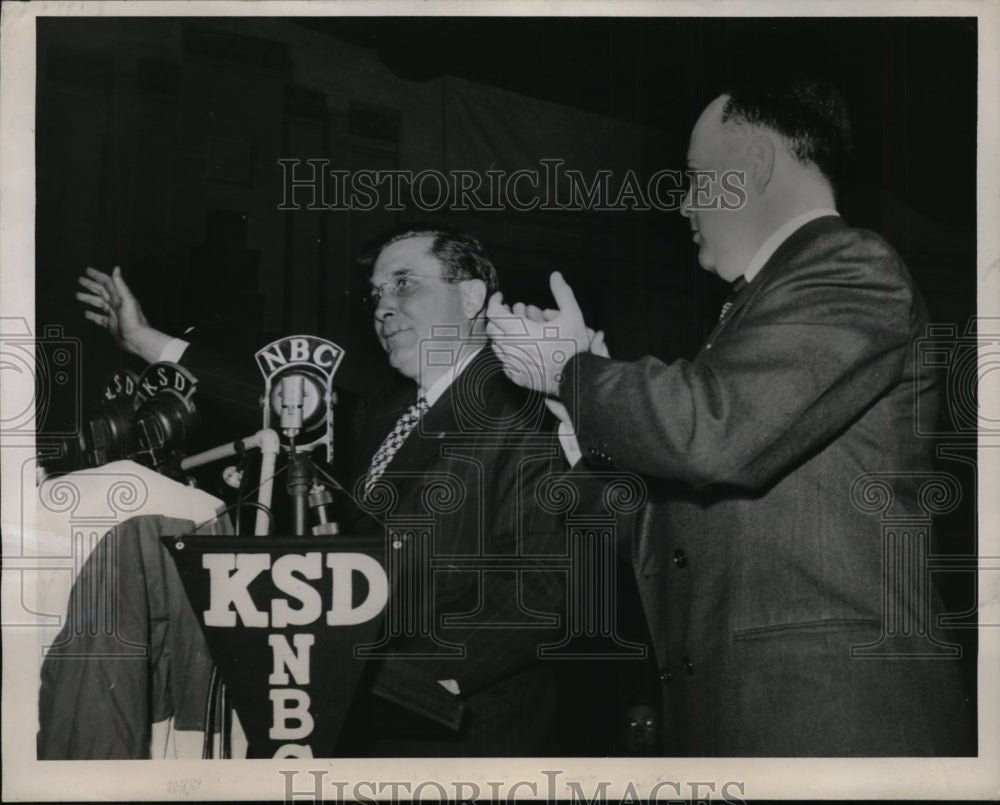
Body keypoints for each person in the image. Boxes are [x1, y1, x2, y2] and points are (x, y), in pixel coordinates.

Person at [486, 77, 975, 756]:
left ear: (756, 166)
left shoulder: (852, 267)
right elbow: (682, 527)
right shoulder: (761, 308)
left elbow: (710, 435)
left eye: (693, 178)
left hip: (835, 725)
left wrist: (575, 371)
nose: (684, 203)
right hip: (758, 723)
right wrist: (576, 412)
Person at [75, 230, 571, 756]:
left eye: (405, 284)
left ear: (471, 298)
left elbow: (547, 590)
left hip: (464, 735)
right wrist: (143, 340)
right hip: (362, 716)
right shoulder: (389, 414)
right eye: (376, 293)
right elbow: (287, 397)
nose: (383, 308)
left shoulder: (532, 409)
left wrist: (404, 676)